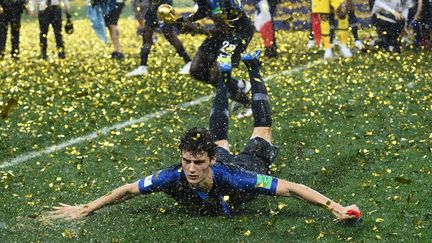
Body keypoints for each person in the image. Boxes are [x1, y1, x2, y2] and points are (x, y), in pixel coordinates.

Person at [49, 50, 362, 222]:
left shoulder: (238, 179)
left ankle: (253, 69)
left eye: (197, 162)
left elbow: (291, 189)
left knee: (262, 132)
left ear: (210, 161)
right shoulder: (173, 175)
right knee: (219, 138)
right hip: (222, 159)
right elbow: (130, 190)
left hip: (249, 164)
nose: (190, 169)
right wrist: (87, 207)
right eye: (187, 161)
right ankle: (224, 77)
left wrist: (333, 206)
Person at [174, 0, 255, 116]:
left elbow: (223, 28)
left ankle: (249, 103)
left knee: (216, 76)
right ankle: (239, 85)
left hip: (238, 33)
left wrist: (196, 29)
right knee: (196, 71)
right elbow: (204, 10)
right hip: (222, 31)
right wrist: (187, 20)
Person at [126, 1, 192, 77]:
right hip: (152, 6)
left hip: (164, 6)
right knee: (147, 34)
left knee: (169, 34)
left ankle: (189, 62)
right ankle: (142, 66)